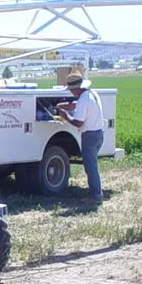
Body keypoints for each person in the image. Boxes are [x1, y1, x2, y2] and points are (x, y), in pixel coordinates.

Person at [56, 70, 105, 204]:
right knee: (92, 165)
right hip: (99, 133)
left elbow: (78, 123)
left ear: (76, 89)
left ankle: (96, 196)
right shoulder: (92, 94)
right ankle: (96, 193)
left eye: (72, 90)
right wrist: (67, 106)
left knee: (91, 167)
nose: (71, 93)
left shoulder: (83, 99)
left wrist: (66, 116)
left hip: (89, 135)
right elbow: (78, 105)